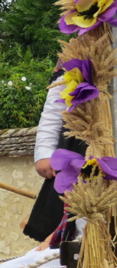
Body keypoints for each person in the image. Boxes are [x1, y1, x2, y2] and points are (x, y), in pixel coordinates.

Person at [23, 65, 87, 242]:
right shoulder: (76, 57)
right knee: (81, 225)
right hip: (83, 155)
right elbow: (53, 112)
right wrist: (44, 153)